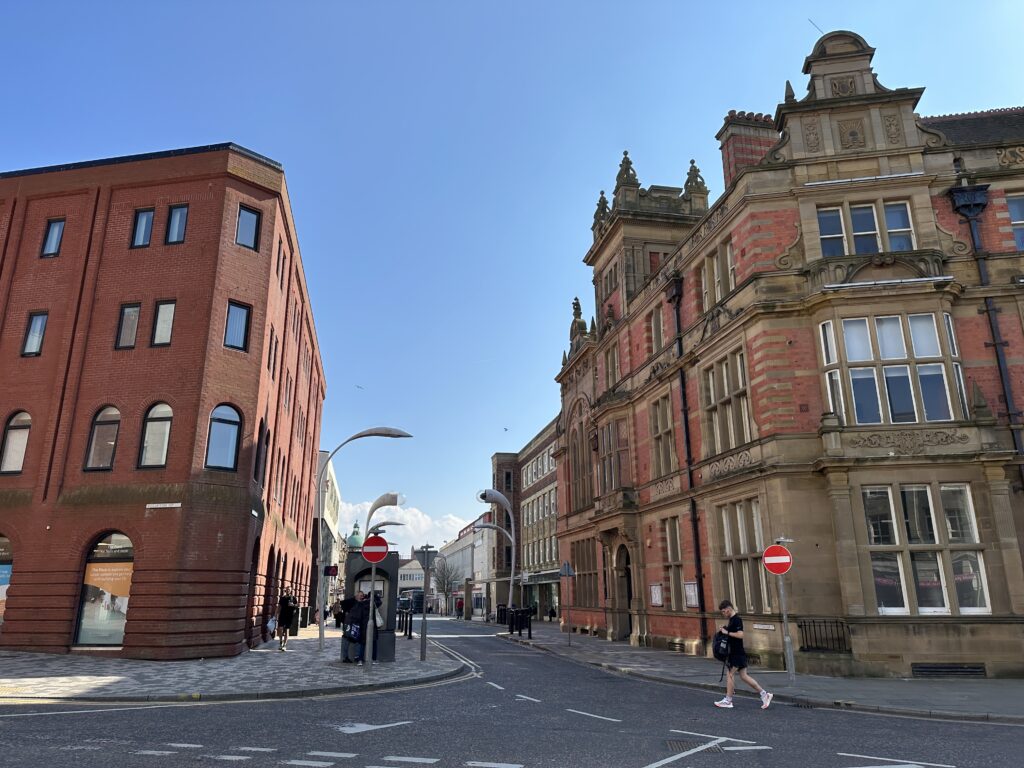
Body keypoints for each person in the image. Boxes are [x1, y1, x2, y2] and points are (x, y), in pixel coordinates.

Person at [714, 599, 772, 709]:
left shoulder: (737, 620)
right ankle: (765, 694)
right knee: (744, 676)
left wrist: (727, 632)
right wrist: (725, 630)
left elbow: (740, 635)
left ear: (728, 609)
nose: (723, 614)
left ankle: (728, 700)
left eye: (723, 611)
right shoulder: (732, 620)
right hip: (737, 652)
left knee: (730, 674)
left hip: (737, 653)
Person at [341, 591, 366, 663]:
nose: (361, 597)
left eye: (362, 596)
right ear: (356, 596)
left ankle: (357, 656)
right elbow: (343, 603)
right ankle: (345, 657)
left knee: (357, 640)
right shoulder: (352, 602)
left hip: (356, 625)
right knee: (347, 639)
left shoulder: (360, 603)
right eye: (360, 595)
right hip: (349, 624)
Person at [276, 587, 298, 652]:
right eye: (287, 590)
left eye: (289, 590)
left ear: (291, 591)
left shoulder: (293, 598)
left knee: (287, 630)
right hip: (282, 615)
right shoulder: (282, 598)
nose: (288, 591)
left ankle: (285, 645)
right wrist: (275, 614)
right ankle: (280, 642)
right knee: (280, 628)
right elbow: (279, 606)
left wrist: (293, 604)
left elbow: (297, 605)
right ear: (285, 590)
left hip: (289, 616)